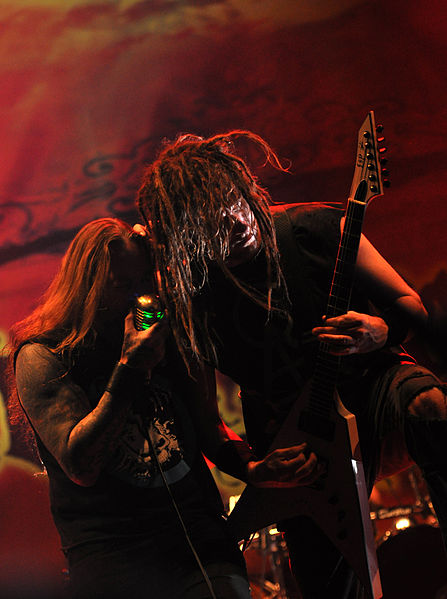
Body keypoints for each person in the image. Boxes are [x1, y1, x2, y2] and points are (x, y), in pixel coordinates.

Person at [135, 130, 447, 598]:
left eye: (231, 199)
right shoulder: (190, 298)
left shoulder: (318, 228)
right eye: (209, 219)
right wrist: (252, 468)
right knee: (326, 584)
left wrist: (376, 330)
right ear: (186, 235)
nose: (232, 218)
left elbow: (410, 306)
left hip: (372, 390)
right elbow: (205, 420)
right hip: (293, 437)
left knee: (430, 403)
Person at [8, 217, 321, 599]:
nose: (135, 296)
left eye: (142, 282)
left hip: (199, 540)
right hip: (113, 556)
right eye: (121, 285)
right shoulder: (45, 354)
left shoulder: (169, 332)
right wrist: (130, 369)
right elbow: (81, 464)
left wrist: (252, 467)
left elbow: (208, 426)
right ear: (86, 284)